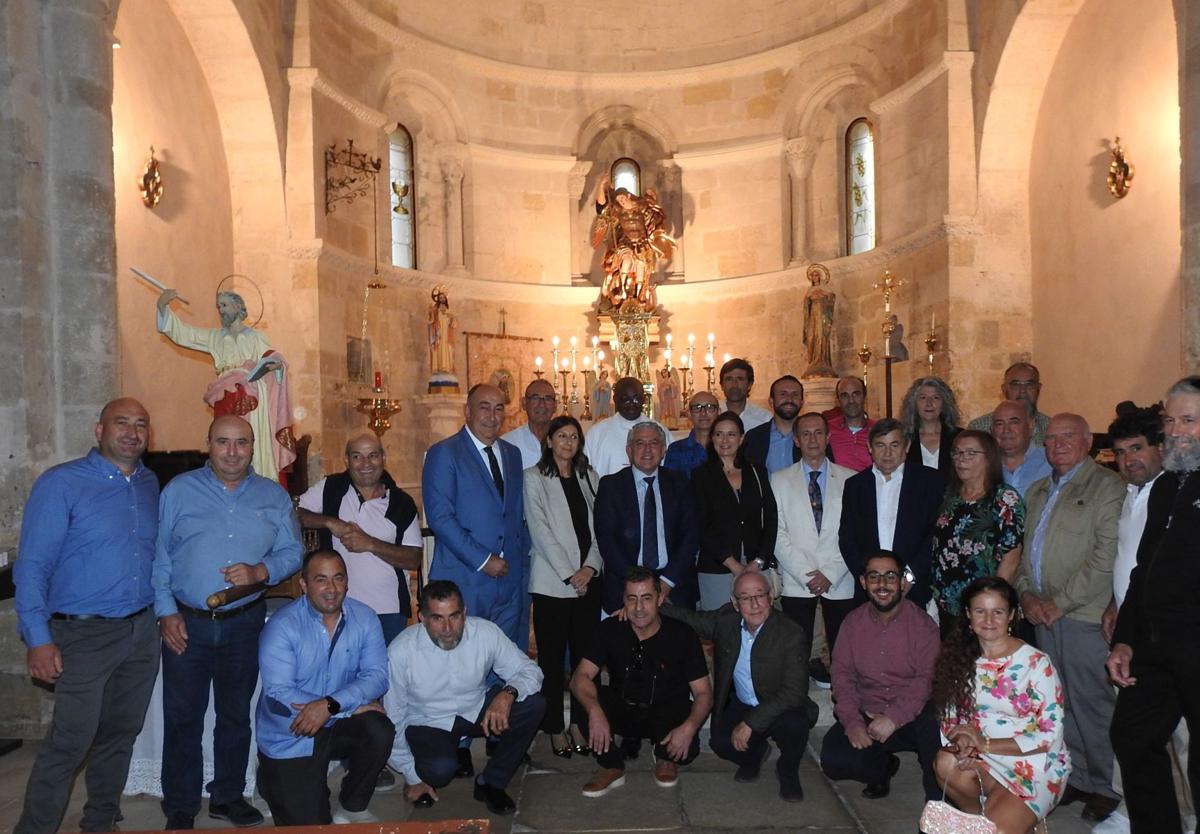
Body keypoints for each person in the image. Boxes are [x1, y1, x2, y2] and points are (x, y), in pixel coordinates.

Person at [13, 399, 160, 834]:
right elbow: (32, 567)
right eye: (122, 423)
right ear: (99, 430)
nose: (132, 432)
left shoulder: (150, 483)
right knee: (68, 745)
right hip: (82, 636)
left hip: (140, 631)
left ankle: (99, 823)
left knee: (120, 735)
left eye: (141, 424)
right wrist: (38, 638)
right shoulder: (62, 484)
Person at [152, 415, 304, 829]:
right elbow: (160, 556)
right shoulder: (179, 491)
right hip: (188, 622)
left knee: (235, 714)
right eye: (223, 442)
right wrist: (166, 611)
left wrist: (262, 571)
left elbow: (293, 553)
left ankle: (227, 796)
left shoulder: (272, 496)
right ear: (209, 445)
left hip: (244, 623)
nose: (232, 452)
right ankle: (181, 806)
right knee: (183, 716)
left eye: (241, 443)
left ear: (252, 447)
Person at [1014, 413, 1124, 822]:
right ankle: (1077, 776)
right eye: (1052, 438)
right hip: (1045, 614)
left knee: (1093, 702)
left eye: (1068, 437)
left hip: (1082, 614)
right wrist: (1027, 595)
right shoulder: (1040, 490)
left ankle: (1108, 786)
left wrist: (1059, 602)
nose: (1057, 444)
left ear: (1087, 442)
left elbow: (1104, 557)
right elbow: (1028, 553)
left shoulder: (1106, 487)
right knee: (1061, 701)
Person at [1109, 377, 1200, 834]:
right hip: (1154, 649)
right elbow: (1142, 571)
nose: (1176, 430)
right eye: (1170, 420)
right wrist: (1125, 639)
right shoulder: (1168, 486)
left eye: (1189, 420)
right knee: (1132, 735)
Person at [254, 550, 394, 826]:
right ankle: (270, 778)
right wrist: (345, 707)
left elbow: (377, 676)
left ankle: (353, 803)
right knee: (313, 826)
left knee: (379, 729)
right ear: (304, 585)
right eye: (321, 580)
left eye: (338, 578)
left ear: (347, 582)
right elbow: (280, 692)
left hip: (332, 719)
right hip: (294, 732)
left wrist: (331, 706)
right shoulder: (282, 626)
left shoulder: (365, 618)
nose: (331, 589)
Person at [385, 580, 545, 816]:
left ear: (465, 613)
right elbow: (393, 717)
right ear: (422, 617)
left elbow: (531, 671)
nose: (448, 627)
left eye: (455, 616)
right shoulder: (400, 651)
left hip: (476, 708)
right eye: (438, 618)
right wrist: (411, 774)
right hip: (428, 721)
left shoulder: (485, 632)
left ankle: (491, 782)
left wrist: (507, 694)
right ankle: (426, 771)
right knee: (439, 771)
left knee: (533, 704)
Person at [931, 577, 1070, 832]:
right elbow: (950, 717)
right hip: (982, 758)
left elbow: (1049, 735)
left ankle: (1012, 818)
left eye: (998, 612)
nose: (988, 620)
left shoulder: (1037, 664)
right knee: (945, 761)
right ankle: (979, 818)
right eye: (980, 611)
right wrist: (962, 743)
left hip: (1033, 765)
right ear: (968, 616)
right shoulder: (959, 658)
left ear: (1012, 615)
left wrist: (984, 745)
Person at [662, 571, 816, 801]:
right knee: (720, 743)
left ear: (771, 597)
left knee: (795, 725)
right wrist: (649, 606)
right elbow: (688, 618)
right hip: (743, 702)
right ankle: (754, 756)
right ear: (735, 603)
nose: (754, 604)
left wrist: (750, 723)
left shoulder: (791, 633)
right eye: (745, 597)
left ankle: (788, 770)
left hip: (780, 706)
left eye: (760, 595)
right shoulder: (726, 621)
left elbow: (794, 693)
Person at [570, 567, 713, 797]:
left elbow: (704, 693)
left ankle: (665, 755)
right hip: (624, 708)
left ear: (660, 599)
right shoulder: (610, 629)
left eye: (646, 598)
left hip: (666, 712)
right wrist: (595, 711)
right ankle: (611, 764)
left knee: (686, 751)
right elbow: (581, 677)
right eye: (632, 599)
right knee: (582, 697)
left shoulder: (682, 635)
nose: (639, 608)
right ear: (623, 601)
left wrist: (689, 728)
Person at [821, 552, 941, 801]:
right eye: (874, 577)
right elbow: (842, 677)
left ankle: (937, 807)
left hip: (912, 714)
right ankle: (882, 768)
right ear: (864, 582)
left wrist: (894, 718)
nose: (882, 584)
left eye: (890, 576)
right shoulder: (852, 623)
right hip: (870, 711)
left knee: (935, 727)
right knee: (834, 762)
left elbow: (926, 680)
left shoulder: (923, 626)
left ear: (902, 582)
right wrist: (853, 723)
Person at [422, 383, 529, 644]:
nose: (492, 417)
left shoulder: (512, 454)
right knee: (463, 663)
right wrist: (483, 560)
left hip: (510, 581)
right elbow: (441, 518)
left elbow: (514, 514)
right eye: (484, 408)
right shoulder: (444, 453)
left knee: (503, 658)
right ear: (467, 411)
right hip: (464, 580)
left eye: (498, 409)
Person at [523, 415, 603, 758]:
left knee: (588, 659)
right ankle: (554, 725)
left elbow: (602, 528)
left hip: (589, 581)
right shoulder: (534, 478)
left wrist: (590, 567)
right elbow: (540, 531)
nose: (569, 442)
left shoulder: (589, 477)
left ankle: (582, 724)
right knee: (552, 660)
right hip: (553, 584)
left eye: (574, 436)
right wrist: (572, 574)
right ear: (549, 441)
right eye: (562, 436)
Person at [156, 288, 295, 483]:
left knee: (249, 438)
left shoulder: (255, 337)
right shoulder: (214, 337)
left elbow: (271, 358)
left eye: (225, 305)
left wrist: (277, 364)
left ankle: (257, 479)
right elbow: (185, 334)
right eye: (218, 306)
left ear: (238, 307)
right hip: (224, 394)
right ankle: (226, 480)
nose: (221, 310)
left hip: (251, 396)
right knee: (224, 435)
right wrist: (163, 307)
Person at [298, 433, 423, 645]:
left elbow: (413, 559)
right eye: (357, 457)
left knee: (383, 674)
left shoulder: (401, 503)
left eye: (373, 456)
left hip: (387, 610)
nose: (366, 464)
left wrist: (370, 544)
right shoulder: (331, 488)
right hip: (335, 605)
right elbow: (294, 514)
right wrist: (329, 522)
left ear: (384, 458)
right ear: (347, 460)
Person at [772, 411, 858, 678]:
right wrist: (807, 574)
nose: (812, 439)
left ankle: (843, 698)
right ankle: (796, 698)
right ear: (796, 440)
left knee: (844, 649)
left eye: (818, 432)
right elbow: (776, 533)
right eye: (805, 434)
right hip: (798, 579)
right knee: (796, 648)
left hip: (839, 578)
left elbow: (855, 533)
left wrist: (830, 573)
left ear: (828, 437)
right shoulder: (778, 480)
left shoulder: (851, 479)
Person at [594, 421, 700, 614]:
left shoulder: (680, 483)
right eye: (640, 443)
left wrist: (666, 584)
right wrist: (639, 588)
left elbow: (690, 536)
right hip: (625, 588)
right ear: (629, 450)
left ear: (664, 449)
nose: (647, 450)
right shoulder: (611, 486)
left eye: (654, 443)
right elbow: (607, 541)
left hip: (674, 587)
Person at [839, 418, 945, 608]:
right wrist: (869, 578)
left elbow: (935, 535)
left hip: (916, 587)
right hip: (868, 593)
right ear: (869, 447)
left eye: (894, 445)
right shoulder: (855, 485)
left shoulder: (930, 481)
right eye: (880, 445)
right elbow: (847, 538)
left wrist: (909, 577)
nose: (887, 453)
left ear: (907, 446)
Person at [931, 430, 1025, 637]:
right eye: (957, 453)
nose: (961, 459)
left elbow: (1012, 556)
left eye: (970, 453)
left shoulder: (1004, 498)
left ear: (989, 458)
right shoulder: (950, 496)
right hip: (948, 605)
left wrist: (991, 601)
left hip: (985, 609)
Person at [690, 412, 778, 610]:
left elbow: (771, 518)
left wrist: (758, 560)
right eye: (719, 434)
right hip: (717, 568)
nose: (724, 440)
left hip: (756, 565)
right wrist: (733, 565)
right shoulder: (701, 476)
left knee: (758, 625)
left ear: (742, 438)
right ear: (711, 438)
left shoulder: (757, 471)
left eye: (731, 434)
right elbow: (700, 525)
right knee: (721, 630)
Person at [591, 178, 675, 312]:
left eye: (623, 198)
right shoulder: (618, 211)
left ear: (628, 195)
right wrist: (601, 185)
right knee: (626, 260)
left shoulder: (642, 207)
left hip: (642, 243)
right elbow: (601, 208)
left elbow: (657, 217)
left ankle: (638, 296)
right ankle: (622, 289)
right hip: (626, 242)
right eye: (619, 200)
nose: (621, 201)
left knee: (641, 265)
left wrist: (653, 196)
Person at [585, 376, 670, 477]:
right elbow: (587, 475)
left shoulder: (660, 432)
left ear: (643, 399)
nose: (631, 404)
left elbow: (669, 472)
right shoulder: (597, 433)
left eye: (636, 399)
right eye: (625, 399)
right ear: (615, 399)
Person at [967, 362, 1051, 445]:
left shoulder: (1050, 427)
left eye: (1029, 384)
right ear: (1004, 390)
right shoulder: (979, 428)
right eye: (1016, 385)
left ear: (1039, 388)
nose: (1023, 390)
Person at [898, 376, 961, 474]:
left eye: (936, 398)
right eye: (923, 398)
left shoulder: (959, 437)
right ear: (914, 404)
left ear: (944, 404)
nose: (929, 403)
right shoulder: (904, 438)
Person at [743, 375, 805, 473]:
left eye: (795, 394)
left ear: (802, 402)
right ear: (771, 401)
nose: (789, 399)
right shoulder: (754, 437)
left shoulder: (813, 436)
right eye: (783, 394)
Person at [991, 399, 1052, 497]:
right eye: (999, 424)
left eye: (1014, 423)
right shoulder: (983, 466)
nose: (1006, 430)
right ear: (992, 430)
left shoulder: (1051, 462)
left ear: (1031, 426)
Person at [501, 379, 558, 469]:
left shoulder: (566, 442)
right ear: (524, 403)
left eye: (548, 399)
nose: (542, 404)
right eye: (535, 398)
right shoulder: (507, 444)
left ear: (555, 406)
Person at [663, 390, 719, 476]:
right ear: (689, 414)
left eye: (709, 407)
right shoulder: (676, 450)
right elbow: (669, 485)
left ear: (718, 412)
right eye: (697, 408)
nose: (703, 413)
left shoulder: (725, 446)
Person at [825, 376, 875, 471]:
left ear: (864, 396)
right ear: (838, 400)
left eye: (856, 394)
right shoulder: (827, 429)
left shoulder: (878, 429)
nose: (851, 400)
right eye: (845, 395)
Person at [801, 264, 836, 378]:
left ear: (820, 277)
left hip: (822, 317)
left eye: (816, 275)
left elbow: (831, 298)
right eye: (812, 276)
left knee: (821, 337)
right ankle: (813, 362)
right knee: (812, 338)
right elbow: (806, 306)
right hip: (812, 318)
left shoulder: (825, 289)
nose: (814, 277)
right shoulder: (809, 290)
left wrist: (822, 294)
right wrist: (808, 299)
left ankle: (822, 361)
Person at [719, 358, 771, 431]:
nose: (734, 385)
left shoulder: (765, 419)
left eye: (740, 379)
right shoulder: (711, 414)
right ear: (721, 385)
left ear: (749, 384)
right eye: (729, 379)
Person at [428, 286, 456, 375]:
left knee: (448, 350)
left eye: (443, 297)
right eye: (440, 298)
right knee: (439, 349)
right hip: (438, 334)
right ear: (438, 299)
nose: (442, 299)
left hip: (447, 334)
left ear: (445, 299)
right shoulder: (435, 310)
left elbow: (454, 324)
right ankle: (439, 367)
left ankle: (447, 367)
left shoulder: (449, 310)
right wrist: (431, 314)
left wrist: (452, 318)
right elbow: (431, 321)